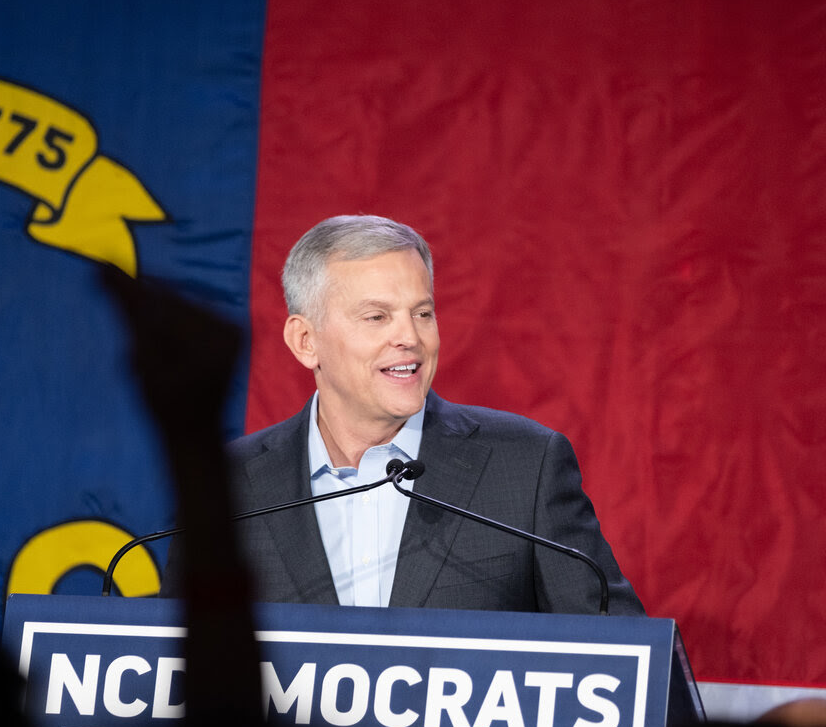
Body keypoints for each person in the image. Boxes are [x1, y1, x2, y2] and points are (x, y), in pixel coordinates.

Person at [164, 214, 643, 615]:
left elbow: (619, 658)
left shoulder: (526, 465)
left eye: (423, 313)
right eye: (377, 317)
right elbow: (178, 672)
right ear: (305, 341)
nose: (410, 338)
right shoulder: (225, 487)